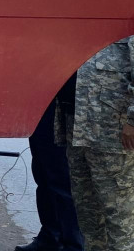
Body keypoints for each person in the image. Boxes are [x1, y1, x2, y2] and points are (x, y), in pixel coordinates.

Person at [61, 33, 134, 251]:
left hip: (117, 139)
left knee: (122, 227)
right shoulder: (84, 23)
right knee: (90, 223)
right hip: (78, 131)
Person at [15, 76, 83, 251]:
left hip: (66, 102)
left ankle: (72, 244)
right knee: (42, 171)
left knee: (61, 178)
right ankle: (50, 237)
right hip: (42, 95)